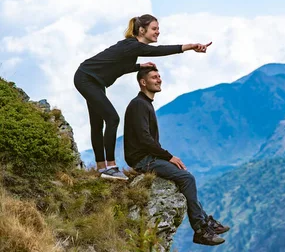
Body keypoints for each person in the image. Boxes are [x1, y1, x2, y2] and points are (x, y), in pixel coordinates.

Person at [73, 14, 212, 180]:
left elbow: (120, 67)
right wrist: (189, 46)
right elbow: (158, 51)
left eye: (158, 29)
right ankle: (110, 167)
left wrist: (140, 66)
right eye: (154, 29)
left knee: (97, 124)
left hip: (93, 81)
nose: (158, 32)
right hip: (86, 78)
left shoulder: (131, 49)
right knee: (112, 119)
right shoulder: (132, 46)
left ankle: (101, 168)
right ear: (141, 30)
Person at [123, 67, 229, 246]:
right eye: (154, 77)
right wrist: (169, 157)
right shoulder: (139, 104)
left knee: (184, 178)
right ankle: (201, 230)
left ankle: (204, 222)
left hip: (147, 157)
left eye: (159, 76)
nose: (159, 80)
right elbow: (144, 138)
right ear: (143, 82)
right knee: (186, 178)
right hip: (142, 160)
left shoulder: (144, 103)